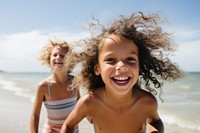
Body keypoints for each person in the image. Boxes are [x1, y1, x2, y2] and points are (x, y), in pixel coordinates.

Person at [61, 12, 183, 133]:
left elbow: (155, 121)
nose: (122, 66)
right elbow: (68, 125)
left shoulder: (147, 102)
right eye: (110, 60)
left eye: (130, 59)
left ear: (139, 66)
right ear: (97, 69)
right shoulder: (89, 102)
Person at [30, 40, 80, 133]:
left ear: (71, 60)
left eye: (62, 55)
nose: (58, 57)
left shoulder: (75, 82)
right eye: (55, 55)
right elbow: (35, 116)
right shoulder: (44, 86)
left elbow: (80, 106)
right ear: (49, 59)